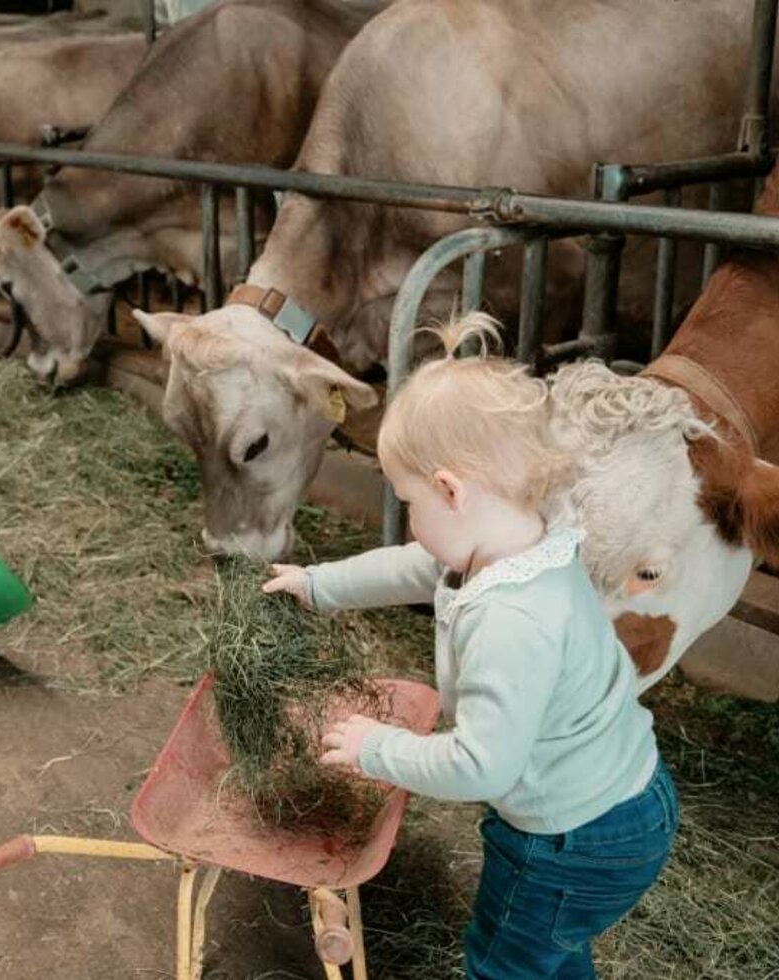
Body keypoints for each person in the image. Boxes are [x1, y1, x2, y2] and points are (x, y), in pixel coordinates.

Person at [264, 315, 678, 979]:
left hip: (568, 840)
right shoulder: (519, 540)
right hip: (622, 801)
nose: (412, 522)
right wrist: (316, 585)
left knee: (503, 961)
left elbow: (481, 765)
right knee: (552, 947)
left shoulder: (512, 619)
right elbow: (413, 564)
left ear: (452, 490)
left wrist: (377, 749)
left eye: (409, 501)